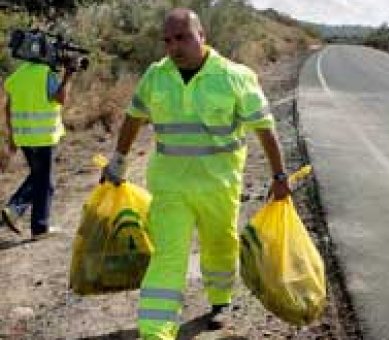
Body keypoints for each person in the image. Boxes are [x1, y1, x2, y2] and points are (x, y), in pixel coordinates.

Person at [101, 8, 291, 339]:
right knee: (168, 256)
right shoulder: (156, 76)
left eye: (182, 38)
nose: (174, 47)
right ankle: (155, 331)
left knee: (219, 245)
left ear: (202, 36)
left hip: (218, 186)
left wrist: (279, 176)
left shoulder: (235, 77)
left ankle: (220, 301)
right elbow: (133, 118)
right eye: (168, 40)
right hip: (170, 187)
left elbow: (264, 129)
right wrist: (118, 159)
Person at [1, 55, 73, 239]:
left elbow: (7, 108)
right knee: (44, 181)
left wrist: (11, 136)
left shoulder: (18, 75)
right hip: (43, 137)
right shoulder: (46, 74)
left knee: (38, 177)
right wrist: (67, 76)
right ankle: (38, 227)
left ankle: (15, 211)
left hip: (24, 137)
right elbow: (61, 99)